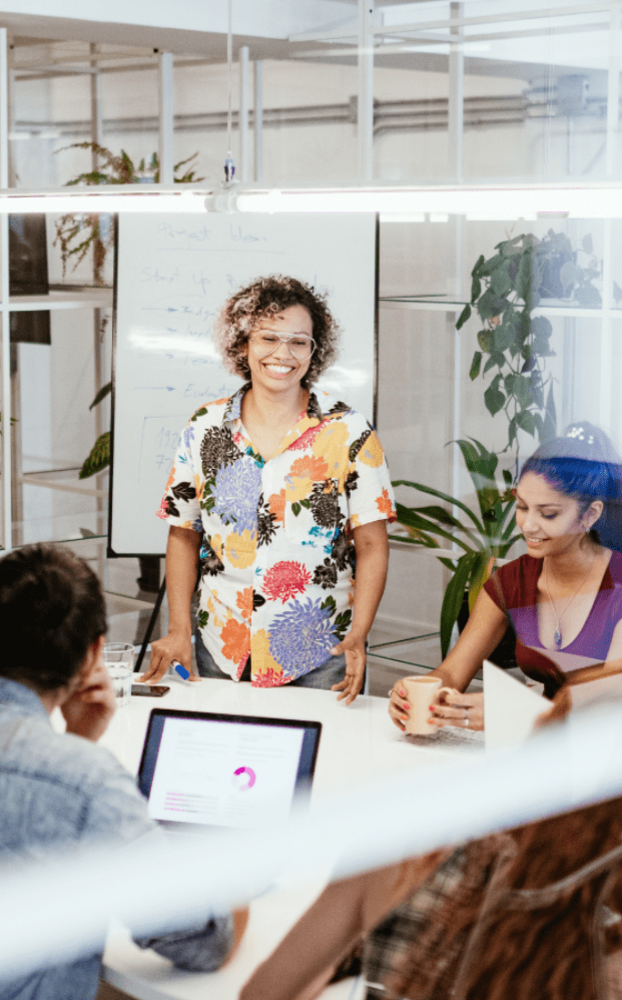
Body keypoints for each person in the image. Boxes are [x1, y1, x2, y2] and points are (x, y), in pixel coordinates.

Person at [0, 543, 246, 1000]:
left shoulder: (74, 776)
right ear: (94, 653)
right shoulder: (86, 783)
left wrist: (75, 743)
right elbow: (201, 938)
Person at [144, 274, 396, 703]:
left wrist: (359, 635)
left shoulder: (348, 430)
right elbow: (184, 533)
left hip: (321, 650)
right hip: (219, 647)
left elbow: (372, 545)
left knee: (318, 766)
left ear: (315, 352)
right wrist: (179, 629)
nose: (283, 354)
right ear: (243, 344)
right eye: (268, 338)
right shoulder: (205, 427)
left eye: (299, 342)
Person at [389, 422, 622, 732]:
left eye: (548, 513)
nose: (528, 525)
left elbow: (609, 697)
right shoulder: (512, 580)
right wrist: (415, 690)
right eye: (523, 507)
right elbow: (452, 672)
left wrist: (515, 710)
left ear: (590, 515)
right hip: (543, 749)